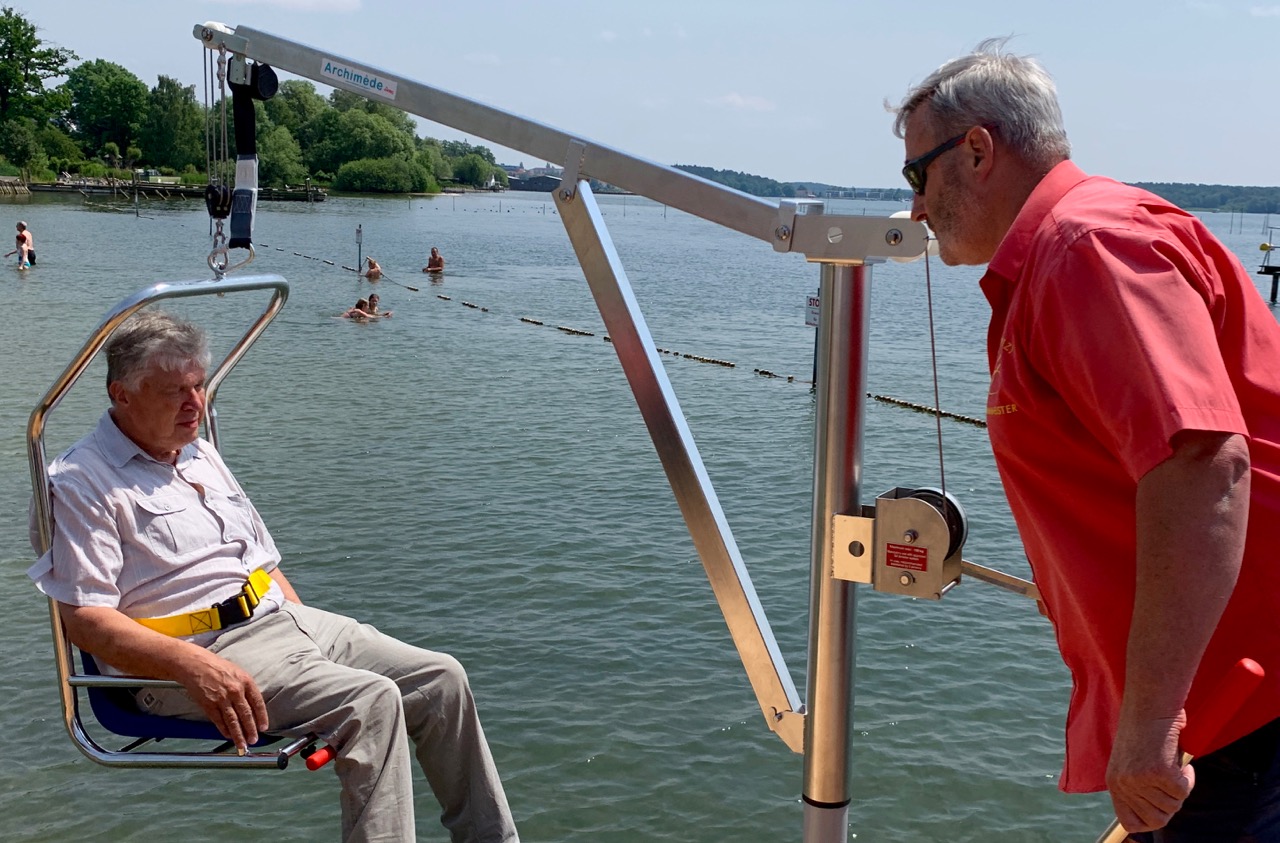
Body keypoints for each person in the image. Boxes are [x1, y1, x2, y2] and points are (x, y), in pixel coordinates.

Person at [892, 40, 1280, 840]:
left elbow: (1203, 465)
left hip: (1242, 712)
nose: (917, 209)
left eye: (917, 176)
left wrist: (1151, 724)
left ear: (977, 150)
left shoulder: (1086, 248)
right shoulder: (1073, 246)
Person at [27, 311, 518, 843]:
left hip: (277, 623)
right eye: (175, 392)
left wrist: (307, 636)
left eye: (199, 386)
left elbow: (262, 562)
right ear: (122, 395)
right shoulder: (80, 482)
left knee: (442, 679)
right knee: (370, 701)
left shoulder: (198, 453)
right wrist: (194, 666)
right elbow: (87, 621)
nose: (195, 404)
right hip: (192, 656)